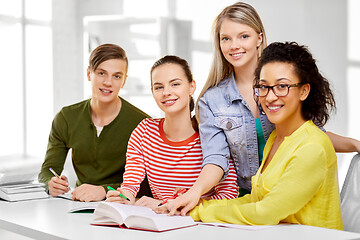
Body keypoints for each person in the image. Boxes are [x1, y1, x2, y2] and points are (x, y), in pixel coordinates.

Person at [157, 1, 360, 216]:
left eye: (243, 36)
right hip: (247, 199)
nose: (234, 45)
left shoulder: (284, 86)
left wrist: (356, 144)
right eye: (226, 38)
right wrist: (194, 192)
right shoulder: (212, 100)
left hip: (291, 194)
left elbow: (312, 136)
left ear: (259, 38)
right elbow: (216, 159)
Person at [188, 41, 343, 230]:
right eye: (263, 87)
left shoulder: (312, 146)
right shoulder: (275, 139)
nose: (269, 97)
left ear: (304, 91)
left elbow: (264, 213)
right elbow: (253, 201)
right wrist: (193, 207)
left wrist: (198, 213)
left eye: (282, 86)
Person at [106, 55, 238, 209]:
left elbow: (229, 195)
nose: (166, 92)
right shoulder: (144, 131)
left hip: (203, 226)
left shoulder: (212, 136)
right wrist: (123, 197)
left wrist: (172, 204)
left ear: (191, 87)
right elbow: (130, 185)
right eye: (158, 87)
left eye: (175, 84)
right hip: (161, 226)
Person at [38, 44, 151, 202]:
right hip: (78, 205)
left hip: (124, 207)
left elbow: (149, 186)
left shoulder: (143, 124)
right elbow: (47, 170)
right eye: (101, 73)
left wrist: (104, 190)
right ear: (89, 73)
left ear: (124, 80)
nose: (108, 82)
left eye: (117, 76)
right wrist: (50, 182)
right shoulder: (66, 117)